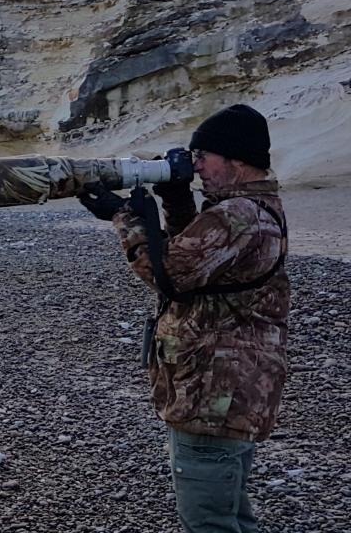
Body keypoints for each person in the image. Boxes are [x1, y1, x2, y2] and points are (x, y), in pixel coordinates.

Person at [77, 104, 289, 533]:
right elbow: (200, 255)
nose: (196, 168)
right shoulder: (246, 208)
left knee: (208, 522)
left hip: (215, 395)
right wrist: (175, 200)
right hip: (226, 389)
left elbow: (170, 273)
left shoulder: (238, 216)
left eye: (202, 157)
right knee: (229, 514)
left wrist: (124, 217)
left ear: (236, 159)